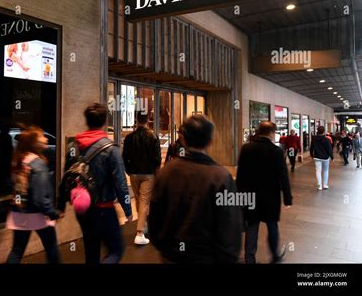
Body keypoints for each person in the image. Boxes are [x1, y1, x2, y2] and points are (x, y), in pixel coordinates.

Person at [149, 115, 243, 263]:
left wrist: (164, 247)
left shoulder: (166, 172)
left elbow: (154, 217)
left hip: (171, 256)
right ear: (211, 141)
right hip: (207, 258)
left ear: (183, 139)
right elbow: (230, 226)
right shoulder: (221, 177)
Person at [57, 103, 133, 264]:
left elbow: (66, 176)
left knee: (91, 252)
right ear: (105, 122)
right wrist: (128, 210)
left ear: (87, 121)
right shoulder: (111, 149)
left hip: (82, 209)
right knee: (116, 251)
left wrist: (61, 205)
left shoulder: (74, 145)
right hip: (104, 209)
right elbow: (120, 182)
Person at [236, 121, 292, 264]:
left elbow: (241, 174)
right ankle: (275, 256)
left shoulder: (246, 148)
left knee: (252, 227)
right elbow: (283, 176)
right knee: (272, 225)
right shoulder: (277, 151)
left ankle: (250, 258)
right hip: (270, 197)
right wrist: (287, 198)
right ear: (271, 133)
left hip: (250, 197)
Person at [6, 126, 61, 263]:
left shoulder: (21, 160)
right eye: (42, 136)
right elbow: (40, 198)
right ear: (34, 143)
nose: (46, 138)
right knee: (51, 249)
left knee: (17, 250)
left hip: (19, 212)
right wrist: (52, 212)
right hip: (38, 215)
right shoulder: (38, 164)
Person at [122, 110, 161, 245]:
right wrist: (156, 172)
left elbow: (124, 157)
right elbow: (157, 159)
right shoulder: (153, 136)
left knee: (139, 200)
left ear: (136, 119)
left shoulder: (129, 138)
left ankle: (142, 226)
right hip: (148, 174)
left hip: (133, 174)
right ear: (148, 119)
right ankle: (139, 233)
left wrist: (129, 171)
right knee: (144, 201)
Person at [310, 126, 334, 190]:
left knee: (318, 171)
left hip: (317, 157)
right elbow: (329, 149)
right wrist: (332, 156)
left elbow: (311, 147)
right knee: (325, 171)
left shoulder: (314, 138)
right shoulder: (326, 140)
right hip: (325, 157)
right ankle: (325, 185)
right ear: (324, 131)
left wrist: (311, 155)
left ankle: (319, 185)